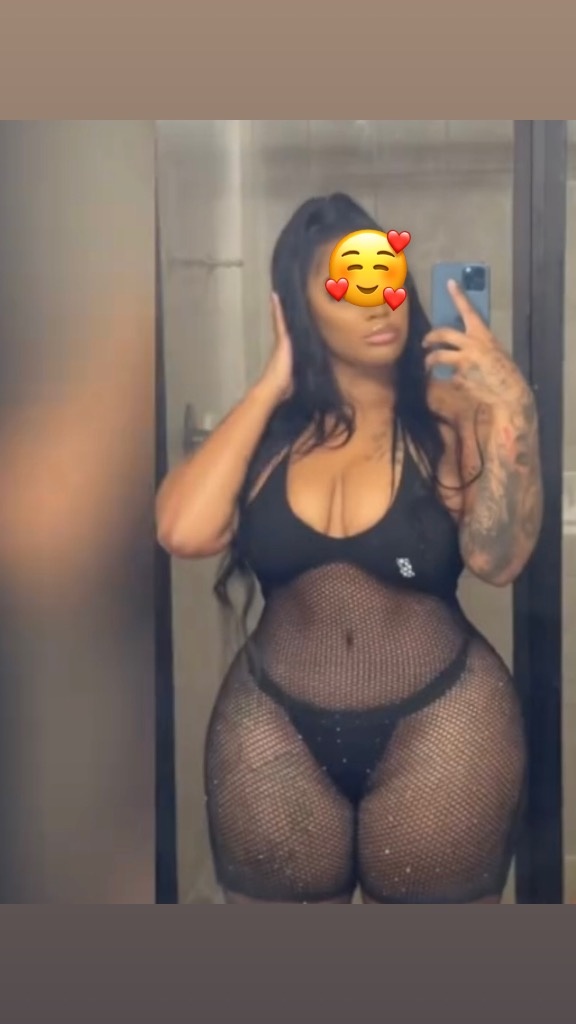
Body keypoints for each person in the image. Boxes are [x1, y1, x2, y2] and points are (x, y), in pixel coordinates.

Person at [156, 193, 542, 904]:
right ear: (298, 311)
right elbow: (182, 530)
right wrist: (272, 381)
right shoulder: (271, 437)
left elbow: (499, 559)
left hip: (446, 726)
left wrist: (511, 405)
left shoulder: (444, 418)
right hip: (270, 731)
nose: (375, 303)